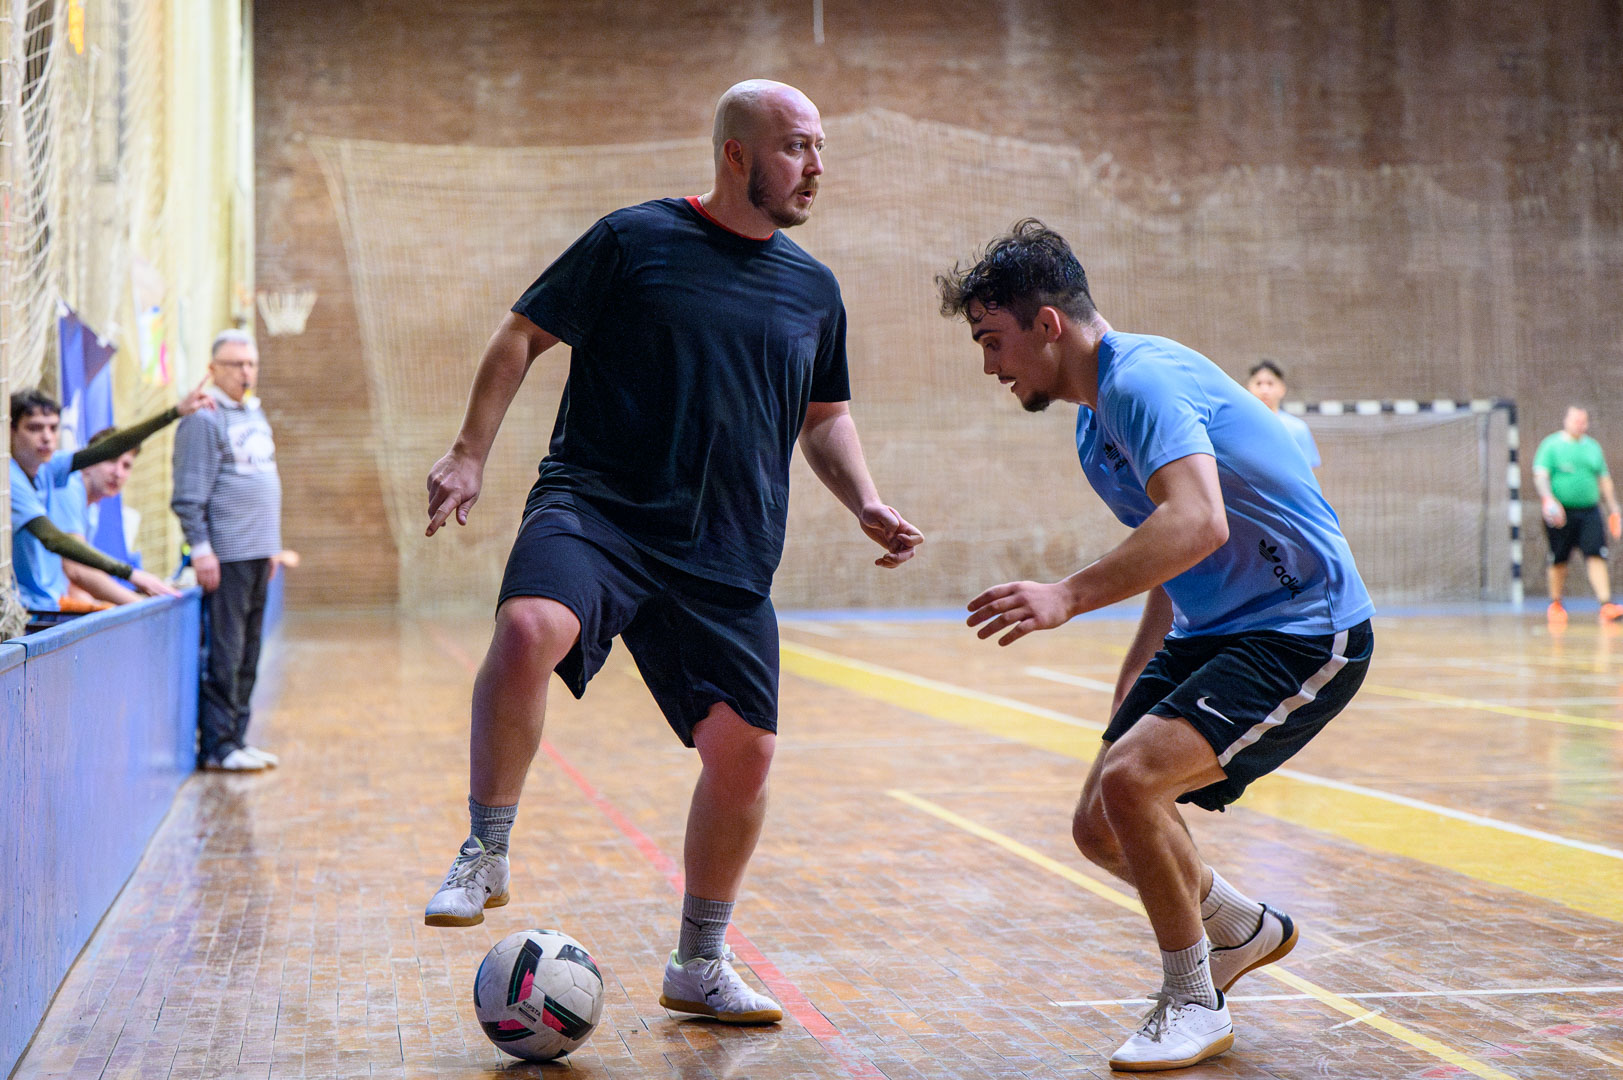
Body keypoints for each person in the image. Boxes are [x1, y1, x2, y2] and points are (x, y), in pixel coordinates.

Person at [421, 79, 922, 1024]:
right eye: (797, 146)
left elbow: (824, 417)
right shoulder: (632, 239)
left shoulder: (814, 289)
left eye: (819, 148)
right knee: (528, 627)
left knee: (746, 755)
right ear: (736, 155)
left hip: (726, 549)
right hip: (599, 509)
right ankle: (485, 849)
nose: (816, 167)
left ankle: (698, 961)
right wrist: (468, 453)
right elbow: (522, 334)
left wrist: (864, 499)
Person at [939, 220, 1374, 1071]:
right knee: (1099, 823)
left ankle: (1192, 1000)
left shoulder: (1140, 382)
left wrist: (1066, 595)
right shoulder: (1090, 426)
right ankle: (1240, 929)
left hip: (1301, 627)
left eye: (992, 341)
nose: (990, 366)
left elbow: (1198, 520)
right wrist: (1137, 676)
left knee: (1132, 781)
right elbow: (1172, 553)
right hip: (1213, 630)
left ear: (1047, 325)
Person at [172, 330, 284, 773]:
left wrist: (272, 546)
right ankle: (217, 746)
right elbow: (189, 494)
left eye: (251, 363)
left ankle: (237, 738)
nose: (245, 372)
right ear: (213, 368)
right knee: (226, 653)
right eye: (236, 364)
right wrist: (201, 549)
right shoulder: (204, 419)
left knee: (249, 654)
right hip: (228, 555)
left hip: (258, 553)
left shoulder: (253, 413)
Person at [10, 387, 207, 612]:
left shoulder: (47, 468)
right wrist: (129, 574)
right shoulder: (10, 478)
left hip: (47, 603)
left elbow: (111, 447)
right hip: (26, 609)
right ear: (11, 430)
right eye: (34, 428)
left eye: (53, 428)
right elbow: (54, 540)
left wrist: (174, 413)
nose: (46, 437)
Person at [1532, 406, 1623, 625]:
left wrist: (1614, 509)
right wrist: (1548, 499)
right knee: (1559, 558)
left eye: (1583, 421)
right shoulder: (1552, 445)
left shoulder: (1592, 448)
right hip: (1560, 513)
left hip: (1589, 511)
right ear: (1566, 420)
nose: (1579, 424)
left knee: (1596, 554)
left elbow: (1604, 479)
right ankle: (1556, 604)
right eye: (1575, 420)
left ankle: (1605, 604)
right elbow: (1541, 475)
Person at [55, 427, 148, 607]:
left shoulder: (92, 507)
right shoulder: (68, 488)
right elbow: (77, 570)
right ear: (88, 462)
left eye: (126, 465)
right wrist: (139, 605)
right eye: (111, 460)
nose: (118, 473)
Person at [1244, 360, 1320, 470]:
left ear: (1282, 389)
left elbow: (1306, 471)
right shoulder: (1240, 427)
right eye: (1258, 383)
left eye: (1270, 384)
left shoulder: (1298, 428)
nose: (1264, 390)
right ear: (1248, 388)